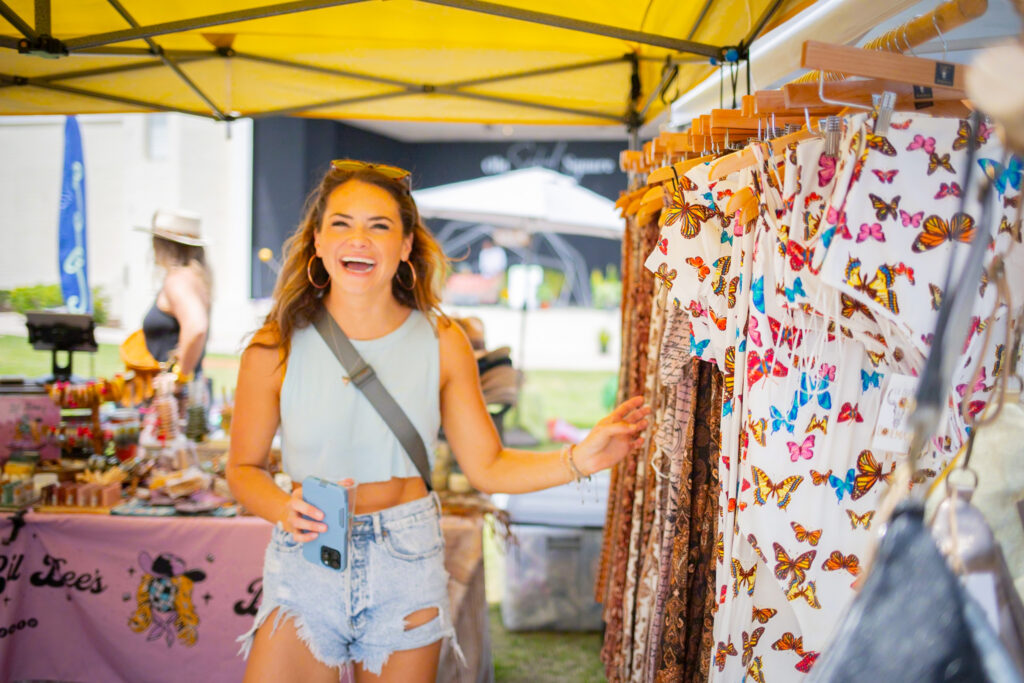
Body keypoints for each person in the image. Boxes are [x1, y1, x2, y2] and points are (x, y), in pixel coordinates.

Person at [226, 160, 649, 683]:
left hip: (404, 558)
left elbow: (489, 466)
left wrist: (578, 459)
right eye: (341, 223)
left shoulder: (442, 341)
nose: (359, 238)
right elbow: (243, 468)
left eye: (379, 226)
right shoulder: (273, 347)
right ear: (317, 242)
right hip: (306, 555)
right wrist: (282, 509)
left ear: (405, 246)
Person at [134, 209, 212, 384]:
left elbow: (197, 326)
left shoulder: (178, 280)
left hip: (172, 398)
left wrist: (179, 376)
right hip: (186, 393)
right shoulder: (196, 278)